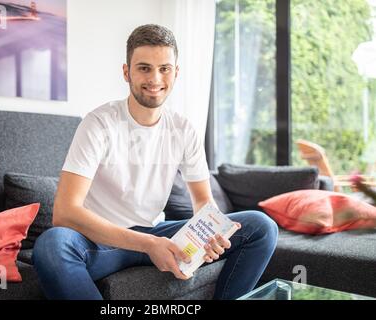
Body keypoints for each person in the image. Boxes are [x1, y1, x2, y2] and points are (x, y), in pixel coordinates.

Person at [32, 24, 278, 300]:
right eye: (144, 68)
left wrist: (207, 238)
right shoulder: (99, 124)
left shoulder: (184, 129)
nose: (155, 79)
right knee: (52, 246)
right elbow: (65, 212)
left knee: (261, 227)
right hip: (102, 241)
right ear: (126, 72)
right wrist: (149, 244)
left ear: (176, 72)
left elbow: (203, 205)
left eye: (164, 68)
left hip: (157, 231)